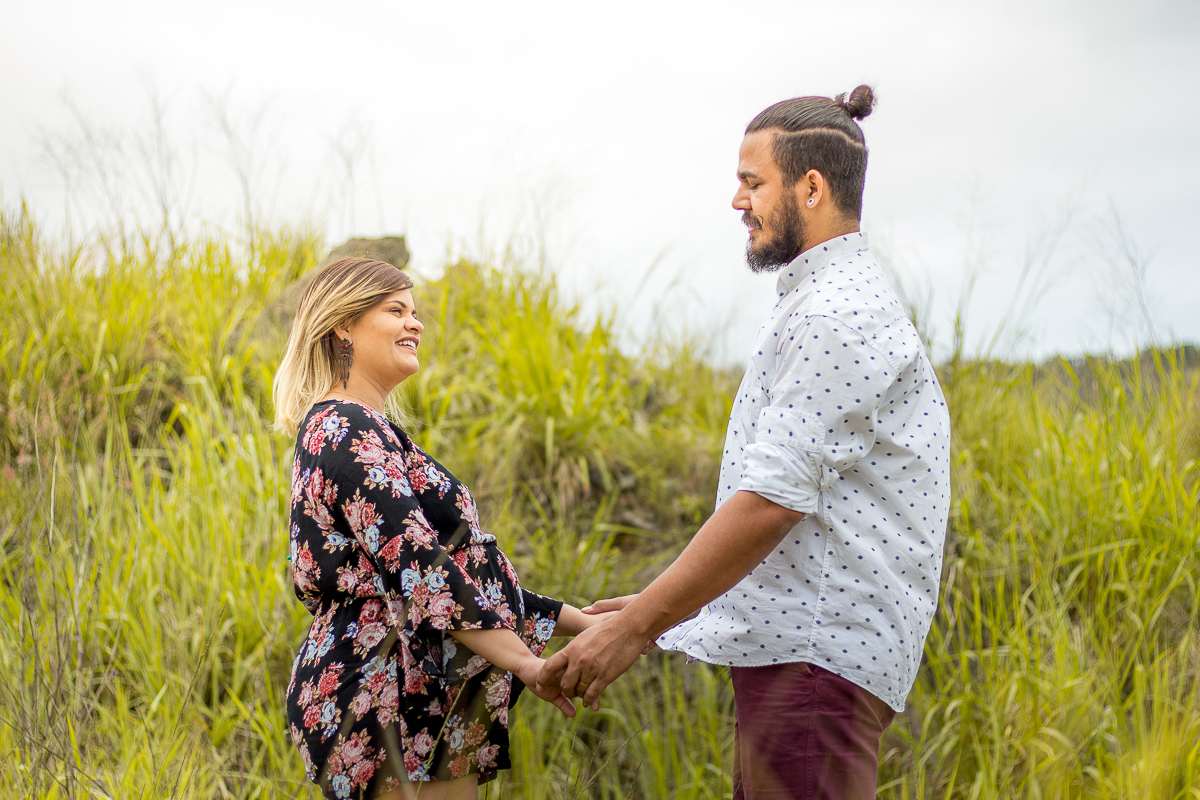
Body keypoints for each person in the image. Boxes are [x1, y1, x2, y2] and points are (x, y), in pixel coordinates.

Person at [538, 86, 951, 799]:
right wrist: (664, 605)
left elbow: (770, 504)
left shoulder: (836, 314)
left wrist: (636, 627)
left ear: (812, 187)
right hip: (807, 664)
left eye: (752, 182)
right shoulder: (828, 302)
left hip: (814, 669)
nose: (737, 201)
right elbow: (805, 516)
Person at [273, 257, 610, 800]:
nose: (416, 323)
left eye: (415, 311)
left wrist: (586, 622)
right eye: (396, 310)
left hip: (418, 688)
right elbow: (419, 569)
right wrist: (526, 663)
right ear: (343, 325)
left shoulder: (368, 428)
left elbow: (455, 575)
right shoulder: (343, 427)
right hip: (385, 692)